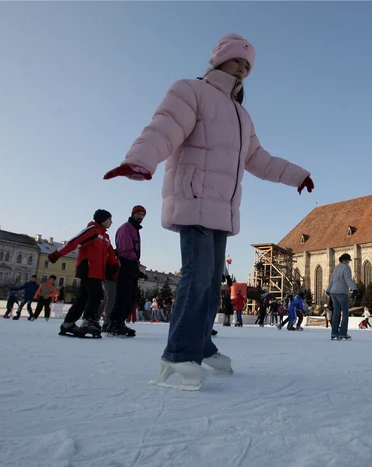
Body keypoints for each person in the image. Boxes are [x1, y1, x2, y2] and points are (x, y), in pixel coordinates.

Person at [103, 33, 313, 390]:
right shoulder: (190, 91)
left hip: (222, 210)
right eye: (237, 62)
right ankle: (177, 357)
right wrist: (139, 160)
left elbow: (257, 159)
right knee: (197, 277)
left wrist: (297, 174)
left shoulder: (242, 116)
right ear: (219, 61)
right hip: (194, 199)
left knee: (211, 282)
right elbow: (164, 127)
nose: (243, 70)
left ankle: (200, 345)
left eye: (248, 66)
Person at [49, 210, 119, 338]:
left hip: (98, 272)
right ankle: (88, 321)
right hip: (88, 269)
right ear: (102, 219)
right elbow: (75, 242)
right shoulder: (92, 230)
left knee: (83, 298)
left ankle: (68, 323)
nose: (111, 222)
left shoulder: (105, 237)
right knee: (97, 295)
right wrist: (57, 254)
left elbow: (111, 255)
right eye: (109, 219)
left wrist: (115, 265)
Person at [107, 205, 146, 337]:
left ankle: (119, 322)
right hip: (125, 264)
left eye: (142, 215)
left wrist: (137, 266)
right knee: (123, 296)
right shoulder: (126, 228)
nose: (140, 217)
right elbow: (126, 249)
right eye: (138, 214)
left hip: (131, 264)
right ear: (133, 214)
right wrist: (133, 263)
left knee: (131, 295)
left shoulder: (134, 229)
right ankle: (114, 323)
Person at [325, 253, 358, 340]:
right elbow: (348, 279)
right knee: (345, 313)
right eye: (348, 260)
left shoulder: (336, 267)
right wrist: (354, 288)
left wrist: (328, 290)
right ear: (346, 260)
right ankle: (343, 333)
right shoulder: (346, 267)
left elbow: (332, 280)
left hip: (333, 292)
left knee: (336, 313)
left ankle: (334, 332)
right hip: (341, 292)